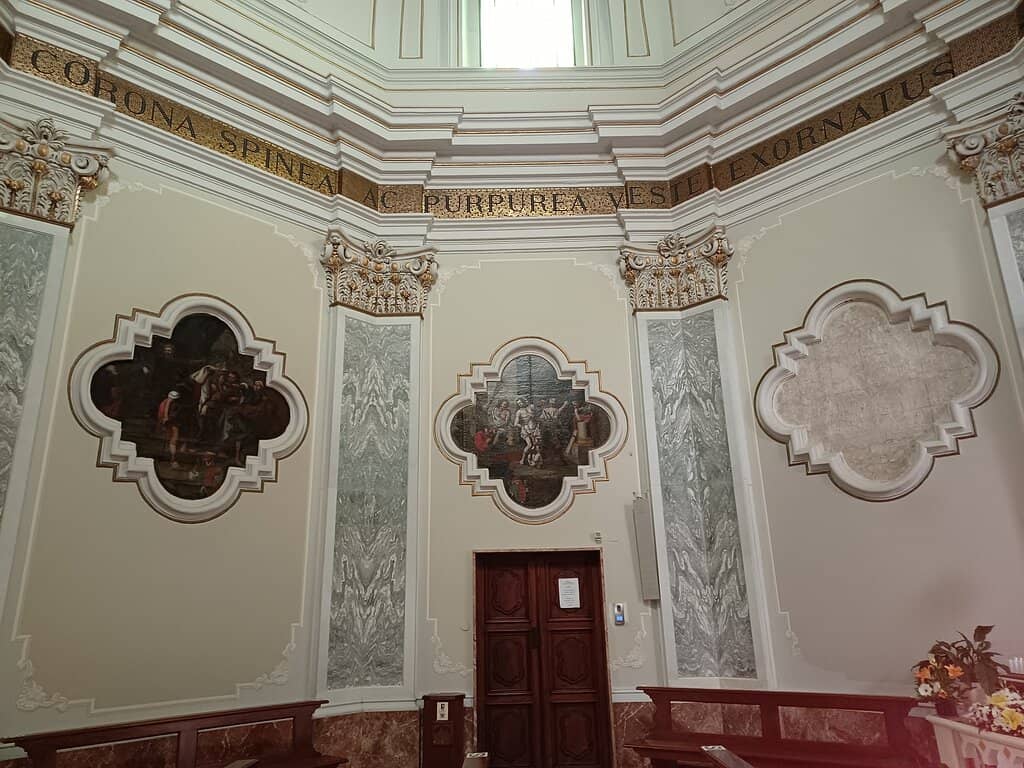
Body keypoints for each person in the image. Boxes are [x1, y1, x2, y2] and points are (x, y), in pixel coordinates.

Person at [157, 390, 184, 468]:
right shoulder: (169, 403)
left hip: (171, 422)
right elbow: (166, 414)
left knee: (171, 440)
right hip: (171, 422)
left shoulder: (167, 402)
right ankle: (172, 459)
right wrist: (166, 418)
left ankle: (171, 458)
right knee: (173, 440)